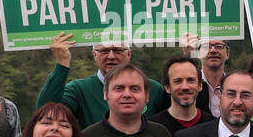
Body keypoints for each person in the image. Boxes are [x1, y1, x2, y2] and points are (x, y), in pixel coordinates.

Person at [38, 35, 168, 128]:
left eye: (117, 50)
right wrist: (62, 64)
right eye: (104, 51)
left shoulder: (152, 88)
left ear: (129, 54)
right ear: (94, 55)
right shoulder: (78, 90)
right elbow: (44, 112)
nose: (111, 56)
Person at [150, 56, 217, 135]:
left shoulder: (215, 127)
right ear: (167, 87)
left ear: (200, 85)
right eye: (178, 81)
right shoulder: (151, 129)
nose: (185, 87)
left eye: (190, 80)